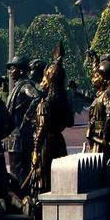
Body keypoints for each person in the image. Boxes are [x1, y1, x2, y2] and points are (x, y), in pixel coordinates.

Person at [28, 47, 75, 197]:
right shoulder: (63, 101)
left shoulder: (45, 104)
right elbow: (70, 122)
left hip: (45, 145)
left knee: (42, 179)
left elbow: (41, 130)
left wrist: (35, 151)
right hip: (58, 143)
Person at [5, 55, 40, 186]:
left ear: (20, 70)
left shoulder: (25, 86)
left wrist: (26, 117)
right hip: (14, 136)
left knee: (19, 171)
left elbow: (37, 97)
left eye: (12, 68)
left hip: (20, 136)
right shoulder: (17, 86)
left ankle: (22, 196)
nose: (9, 72)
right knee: (16, 169)